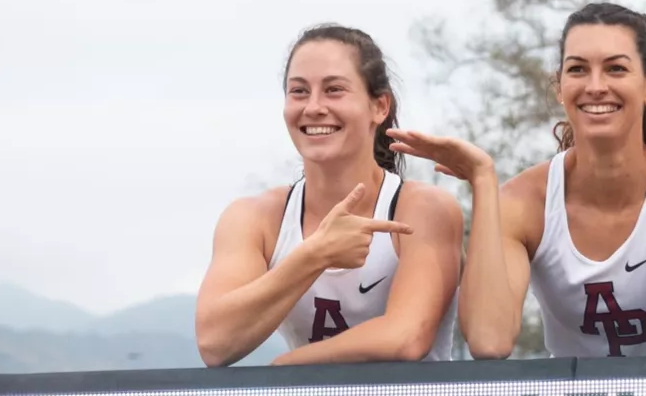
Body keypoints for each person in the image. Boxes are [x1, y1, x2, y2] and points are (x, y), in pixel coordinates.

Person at [389, 3, 646, 359]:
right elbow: (489, 340)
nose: (595, 86)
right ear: (559, 86)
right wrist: (482, 181)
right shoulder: (523, 201)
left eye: (615, 69)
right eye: (577, 69)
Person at [195, 24, 462, 367]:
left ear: (379, 106)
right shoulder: (254, 218)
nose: (314, 107)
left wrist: (286, 366)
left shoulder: (423, 208)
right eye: (299, 91)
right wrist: (315, 254)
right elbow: (215, 343)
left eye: (334, 90)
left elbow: (406, 337)